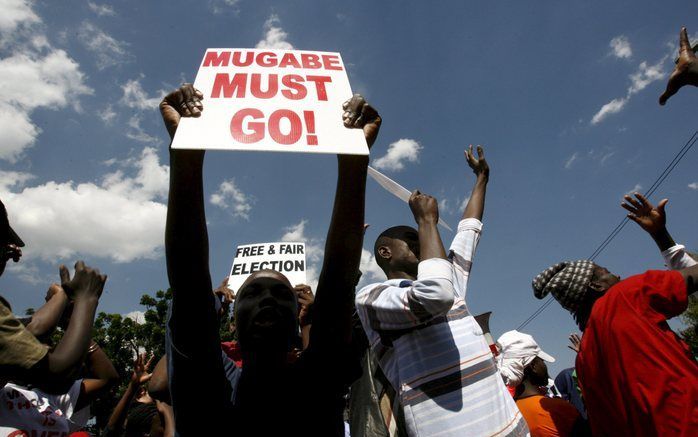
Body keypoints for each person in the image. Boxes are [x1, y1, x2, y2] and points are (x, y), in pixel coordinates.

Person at [160, 85, 380, 435]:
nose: (267, 299)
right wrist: (186, 149)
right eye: (253, 293)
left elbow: (337, 287)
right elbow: (188, 283)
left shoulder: (316, 383)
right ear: (230, 323)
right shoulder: (208, 384)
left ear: (299, 321)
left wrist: (354, 158)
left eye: (281, 295)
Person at [355, 146, 529, 437]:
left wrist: (482, 178)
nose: (423, 242)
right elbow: (434, 295)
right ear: (385, 252)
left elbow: (468, 231)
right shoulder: (373, 298)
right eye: (412, 239)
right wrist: (425, 222)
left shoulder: (448, 280)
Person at [531, 194, 698, 436]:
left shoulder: (584, 360)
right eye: (606, 272)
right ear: (595, 286)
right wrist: (660, 235)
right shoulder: (625, 296)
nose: (617, 275)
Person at [497, 331, 586, 437]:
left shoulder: (508, 414)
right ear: (533, 366)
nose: (544, 365)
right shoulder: (558, 409)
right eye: (542, 361)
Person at [659, 27, 698, 105]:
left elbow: (683, 41)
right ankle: (664, 97)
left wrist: (683, 30)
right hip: (691, 68)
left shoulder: (685, 51)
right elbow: (684, 40)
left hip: (679, 76)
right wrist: (683, 31)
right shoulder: (687, 52)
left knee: (669, 91)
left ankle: (664, 98)